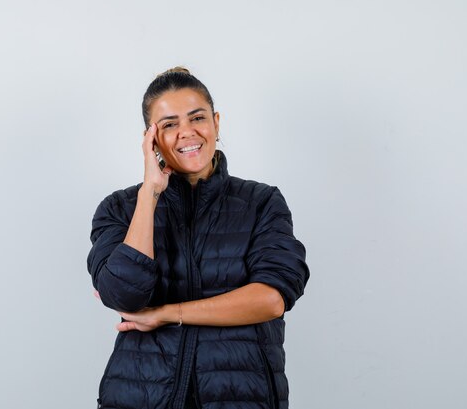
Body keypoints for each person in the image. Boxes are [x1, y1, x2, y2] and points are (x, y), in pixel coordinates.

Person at [87, 67, 309, 409]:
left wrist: (166, 313)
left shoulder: (261, 202)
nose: (187, 133)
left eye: (197, 118)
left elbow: (270, 299)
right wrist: (150, 193)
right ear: (150, 137)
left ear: (216, 123)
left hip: (240, 397)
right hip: (139, 397)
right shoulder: (120, 208)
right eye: (169, 124)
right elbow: (124, 295)